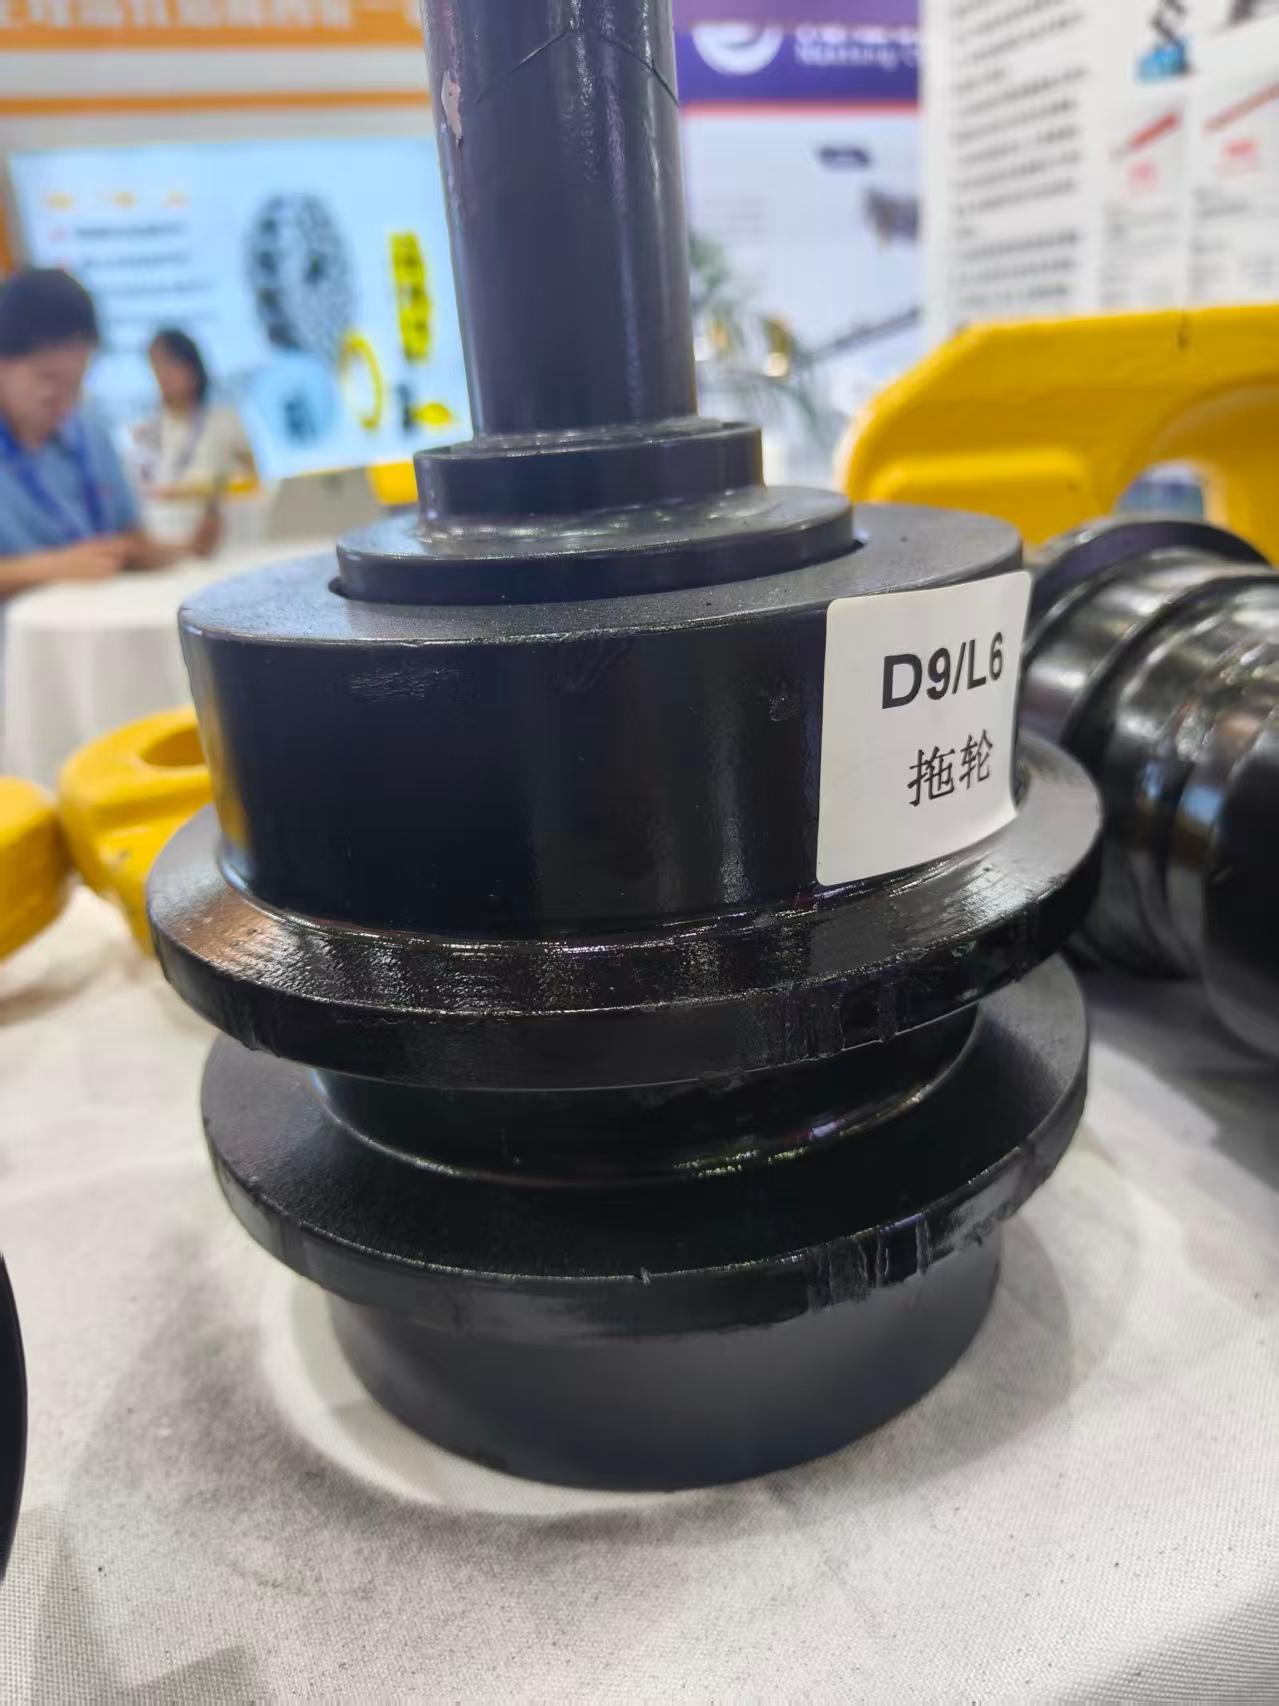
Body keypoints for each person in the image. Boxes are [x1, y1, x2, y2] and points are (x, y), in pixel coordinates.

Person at [0, 268, 216, 600]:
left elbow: (132, 539)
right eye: (48, 381)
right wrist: (47, 569)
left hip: (105, 616)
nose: (63, 401)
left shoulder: (89, 431)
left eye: (75, 384)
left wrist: (181, 549)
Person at [134, 327, 256, 496]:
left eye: (171, 362)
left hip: (223, 510)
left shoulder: (224, 419)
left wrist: (208, 493)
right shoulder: (147, 431)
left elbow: (252, 481)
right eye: (156, 364)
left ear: (192, 365)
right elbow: (143, 490)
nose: (163, 373)